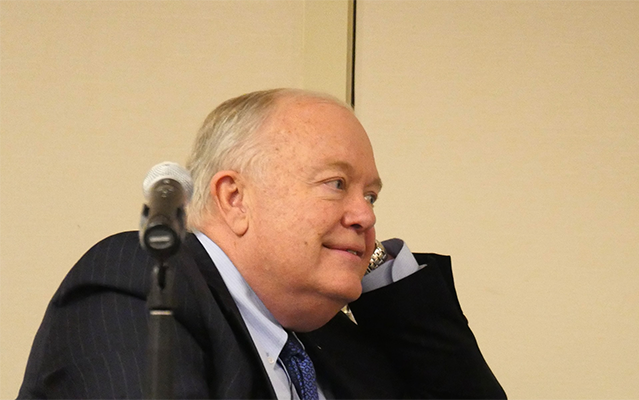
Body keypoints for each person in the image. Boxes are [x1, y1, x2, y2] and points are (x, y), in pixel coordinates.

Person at [19, 88, 506, 399]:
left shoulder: (327, 338)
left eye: (371, 195)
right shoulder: (142, 278)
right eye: (337, 183)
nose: (366, 215)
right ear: (235, 199)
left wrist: (373, 272)